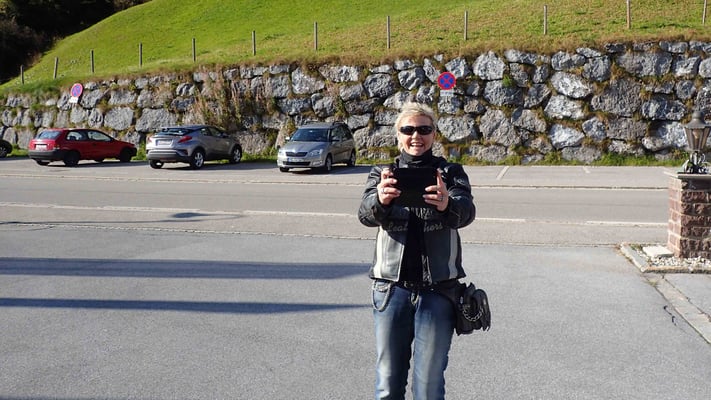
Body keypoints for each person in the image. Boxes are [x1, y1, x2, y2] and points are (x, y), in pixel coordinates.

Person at [358, 102, 476, 400]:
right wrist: (380, 201)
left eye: (424, 129)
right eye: (408, 129)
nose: (416, 136)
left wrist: (448, 204)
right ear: (397, 134)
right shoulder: (382, 173)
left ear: (434, 134)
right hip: (390, 290)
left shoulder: (450, 172)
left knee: (428, 385)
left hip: (438, 291)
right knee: (388, 382)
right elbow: (364, 215)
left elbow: (466, 211)